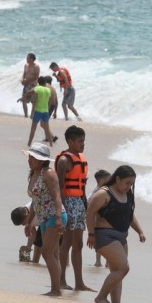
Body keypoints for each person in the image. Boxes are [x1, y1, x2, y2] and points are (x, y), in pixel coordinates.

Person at [86, 165, 146, 303]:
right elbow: (90, 213)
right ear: (117, 179)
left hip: (121, 238)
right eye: (127, 183)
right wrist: (91, 234)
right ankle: (101, 297)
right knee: (123, 268)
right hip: (105, 236)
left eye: (131, 184)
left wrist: (140, 231)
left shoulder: (128, 194)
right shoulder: (103, 193)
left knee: (117, 272)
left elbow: (130, 215)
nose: (129, 186)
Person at [23, 142, 67, 297]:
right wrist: (29, 222)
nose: (30, 160)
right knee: (53, 254)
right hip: (43, 218)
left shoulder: (48, 173)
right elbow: (36, 200)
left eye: (33, 158)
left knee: (47, 253)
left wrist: (58, 218)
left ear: (42, 161)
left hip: (55, 216)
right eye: (30, 157)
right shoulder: (34, 173)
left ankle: (56, 289)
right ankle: (56, 287)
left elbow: (57, 196)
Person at [55, 125, 93, 292]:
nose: (83, 144)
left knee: (78, 244)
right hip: (68, 202)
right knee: (67, 242)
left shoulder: (81, 158)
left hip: (79, 202)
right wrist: (62, 209)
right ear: (70, 142)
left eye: (83, 141)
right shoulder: (64, 161)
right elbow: (60, 187)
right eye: (80, 141)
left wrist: (85, 204)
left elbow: (82, 186)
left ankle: (79, 283)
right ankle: (61, 280)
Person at [20, 76, 55, 148]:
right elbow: (50, 102)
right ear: (45, 82)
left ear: (38, 82)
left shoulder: (37, 88)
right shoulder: (48, 90)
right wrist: (47, 109)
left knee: (33, 129)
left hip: (38, 111)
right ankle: (51, 144)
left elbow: (29, 93)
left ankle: (29, 143)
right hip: (45, 112)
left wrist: (24, 97)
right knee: (47, 129)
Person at [89, 169, 111, 267]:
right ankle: (100, 261)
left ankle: (101, 261)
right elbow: (89, 202)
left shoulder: (98, 190)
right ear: (102, 180)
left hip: (100, 219)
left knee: (101, 241)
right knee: (102, 242)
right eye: (109, 179)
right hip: (98, 220)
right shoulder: (100, 191)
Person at [20, 52, 40, 118]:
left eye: (27, 58)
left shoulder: (36, 67)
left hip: (33, 86)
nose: (26, 59)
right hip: (26, 85)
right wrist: (22, 80)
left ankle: (32, 115)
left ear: (31, 59)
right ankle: (26, 115)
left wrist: (27, 81)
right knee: (24, 100)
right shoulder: (26, 65)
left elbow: (36, 76)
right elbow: (24, 74)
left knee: (33, 102)